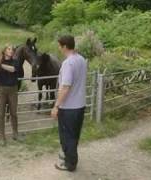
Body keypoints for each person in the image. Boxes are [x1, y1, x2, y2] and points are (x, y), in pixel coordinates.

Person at [51, 35, 87, 171]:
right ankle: (70, 157)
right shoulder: (81, 59)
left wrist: (56, 106)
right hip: (80, 105)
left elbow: (65, 86)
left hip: (69, 107)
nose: (59, 48)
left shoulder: (68, 63)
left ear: (65, 46)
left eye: (60, 45)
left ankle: (70, 164)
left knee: (67, 136)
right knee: (74, 135)